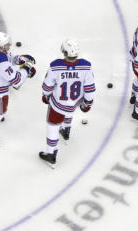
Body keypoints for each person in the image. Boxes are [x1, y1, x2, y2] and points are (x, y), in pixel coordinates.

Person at [38, 39, 95, 169]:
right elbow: (90, 89)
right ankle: (66, 130)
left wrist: (45, 95)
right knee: (69, 110)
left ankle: (51, 154)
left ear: (64, 52)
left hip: (58, 105)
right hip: (74, 102)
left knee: (53, 126)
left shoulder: (55, 66)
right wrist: (88, 102)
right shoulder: (86, 66)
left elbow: (47, 86)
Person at [0, 32, 36, 148]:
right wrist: (26, 69)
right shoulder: (1, 63)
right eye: (6, 44)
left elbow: (7, 57)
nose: (9, 45)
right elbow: (17, 81)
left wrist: (20, 59)